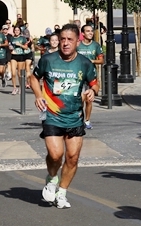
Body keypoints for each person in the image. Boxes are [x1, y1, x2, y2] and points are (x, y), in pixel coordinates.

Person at [28, 23, 99, 209]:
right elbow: (33, 77)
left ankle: (62, 192)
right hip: (52, 114)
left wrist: (92, 91)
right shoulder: (48, 60)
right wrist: (38, 95)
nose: (65, 43)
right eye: (62, 40)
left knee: (73, 158)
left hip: (75, 116)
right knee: (55, 154)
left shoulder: (84, 63)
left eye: (70, 40)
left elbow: (95, 83)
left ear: (78, 42)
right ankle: (52, 178)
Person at [76, 24, 104, 130]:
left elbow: (101, 61)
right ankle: (79, 119)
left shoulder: (96, 46)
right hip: (79, 75)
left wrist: (92, 61)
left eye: (91, 31)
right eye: (87, 31)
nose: (90, 33)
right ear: (82, 34)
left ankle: (87, 120)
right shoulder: (78, 45)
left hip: (91, 75)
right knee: (80, 99)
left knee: (89, 99)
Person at [9, 25, 32, 94]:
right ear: (14, 31)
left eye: (18, 30)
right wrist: (10, 48)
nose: (16, 32)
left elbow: (26, 48)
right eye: (15, 30)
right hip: (13, 56)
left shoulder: (23, 38)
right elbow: (10, 45)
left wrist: (20, 45)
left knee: (19, 73)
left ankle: (20, 87)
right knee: (13, 73)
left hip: (21, 56)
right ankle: (14, 88)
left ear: (20, 31)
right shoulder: (12, 38)